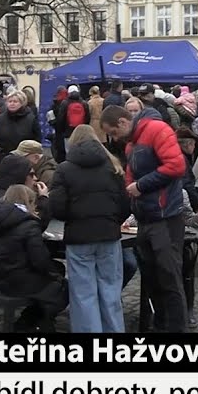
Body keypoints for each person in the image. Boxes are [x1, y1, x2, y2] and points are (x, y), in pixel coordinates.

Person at [99, 104, 189, 333]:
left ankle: (176, 329)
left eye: (113, 133)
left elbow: (177, 166)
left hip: (165, 216)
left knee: (169, 278)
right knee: (151, 278)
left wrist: (140, 185)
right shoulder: (131, 144)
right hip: (146, 218)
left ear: (122, 122)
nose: (114, 139)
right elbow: (131, 176)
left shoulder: (157, 130)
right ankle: (159, 325)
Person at [48, 125, 129, 333]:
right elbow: (125, 205)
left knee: (83, 294)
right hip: (109, 235)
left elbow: (57, 208)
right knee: (110, 291)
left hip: (79, 237)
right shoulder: (113, 166)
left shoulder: (64, 169)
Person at [0, 184, 69, 332]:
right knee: (64, 287)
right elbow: (39, 260)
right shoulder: (28, 224)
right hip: (15, 278)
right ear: (29, 202)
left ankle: (36, 317)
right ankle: (29, 322)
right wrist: (54, 276)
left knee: (57, 270)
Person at [0, 89, 41, 163]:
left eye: (15, 101)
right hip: (4, 157)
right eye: (10, 101)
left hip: (24, 157)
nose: (12, 104)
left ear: (22, 103)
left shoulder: (30, 119)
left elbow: (37, 137)